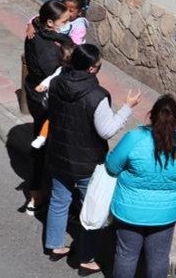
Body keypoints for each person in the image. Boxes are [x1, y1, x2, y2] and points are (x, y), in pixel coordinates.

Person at [44, 43, 142, 274]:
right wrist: (127, 107)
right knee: (92, 211)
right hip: (87, 163)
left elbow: (47, 105)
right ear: (91, 69)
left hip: (58, 155)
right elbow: (107, 131)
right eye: (98, 65)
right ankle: (86, 258)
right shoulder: (96, 96)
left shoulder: (57, 83)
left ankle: (54, 244)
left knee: (59, 201)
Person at [106, 95, 176, 278]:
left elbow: (112, 166)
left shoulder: (134, 138)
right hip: (165, 213)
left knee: (126, 255)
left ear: (151, 116)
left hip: (129, 210)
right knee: (159, 258)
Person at [22, 0, 73, 214]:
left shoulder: (39, 30)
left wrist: (32, 22)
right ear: (51, 23)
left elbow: (36, 19)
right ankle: (38, 192)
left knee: (42, 137)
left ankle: (38, 190)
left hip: (36, 94)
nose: (67, 23)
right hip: (44, 99)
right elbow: (54, 75)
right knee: (45, 144)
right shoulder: (47, 49)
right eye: (64, 21)